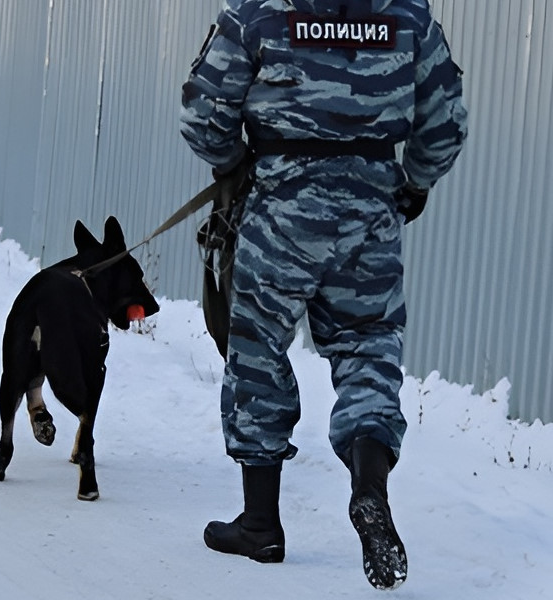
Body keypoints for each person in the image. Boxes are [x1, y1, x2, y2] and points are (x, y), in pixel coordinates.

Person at [179, 0, 467, 590]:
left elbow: (204, 113)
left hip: (281, 206)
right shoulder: (406, 16)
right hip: (371, 208)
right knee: (367, 348)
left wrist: (237, 166)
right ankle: (368, 486)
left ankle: (260, 525)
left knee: (258, 350)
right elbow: (445, 123)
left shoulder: (260, 11)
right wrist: (411, 184)